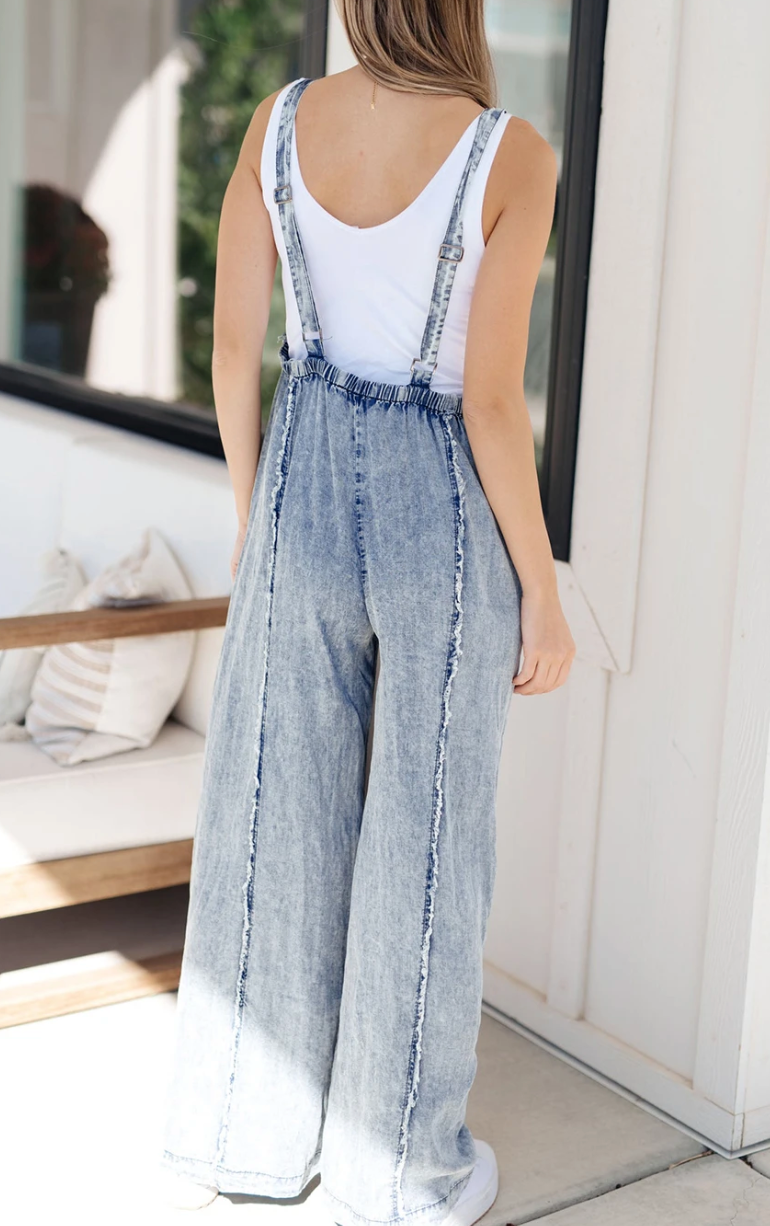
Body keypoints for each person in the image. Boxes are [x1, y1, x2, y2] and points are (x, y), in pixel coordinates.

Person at [159, 1, 575, 1220]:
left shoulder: (279, 121)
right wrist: (541, 591)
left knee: (271, 807)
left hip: (298, 477)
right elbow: (489, 402)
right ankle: (397, 1173)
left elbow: (233, 346)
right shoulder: (510, 154)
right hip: (437, 510)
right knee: (426, 834)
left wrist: (256, 513)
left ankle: (247, 1134)